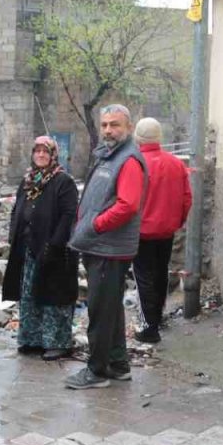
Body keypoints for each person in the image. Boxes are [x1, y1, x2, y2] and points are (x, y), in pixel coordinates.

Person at [65, 104, 148, 390]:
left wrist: (95, 225)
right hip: (99, 246)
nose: (109, 130)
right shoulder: (109, 155)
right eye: (105, 125)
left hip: (108, 248)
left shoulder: (128, 160)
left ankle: (96, 372)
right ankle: (118, 364)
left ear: (128, 127)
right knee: (111, 307)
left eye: (115, 125)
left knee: (100, 311)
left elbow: (127, 206)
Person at [2, 136, 79, 361]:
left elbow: (68, 216)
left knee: (53, 298)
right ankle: (32, 339)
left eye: (46, 152)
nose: (41, 155)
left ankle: (57, 343)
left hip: (54, 250)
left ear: (53, 155)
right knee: (29, 295)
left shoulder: (63, 181)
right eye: (37, 151)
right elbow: (18, 209)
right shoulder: (28, 180)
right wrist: (13, 235)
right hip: (28, 248)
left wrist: (54, 244)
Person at [132, 118, 193, 343]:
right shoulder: (176, 164)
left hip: (141, 232)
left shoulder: (135, 164)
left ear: (137, 138)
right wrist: (178, 221)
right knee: (160, 273)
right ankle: (157, 317)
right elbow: (187, 198)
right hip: (167, 230)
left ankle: (150, 327)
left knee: (143, 277)